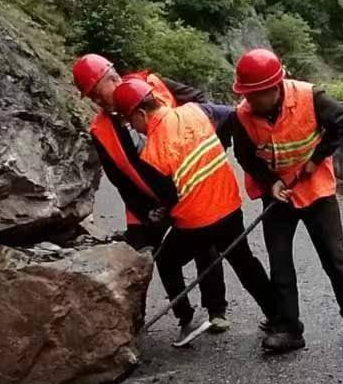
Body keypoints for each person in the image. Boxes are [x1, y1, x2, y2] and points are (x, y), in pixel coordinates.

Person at [228, 48, 343, 354]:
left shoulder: (310, 97)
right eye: (246, 94)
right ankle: (289, 329)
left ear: (274, 88)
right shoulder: (242, 115)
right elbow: (243, 155)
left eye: (255, 94)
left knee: (335, 258)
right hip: (279, 195)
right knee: (280, 262)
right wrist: (271, 182)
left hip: (316, 190)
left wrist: (314, 161)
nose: (249, 101)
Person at [114, 77, 278, 343]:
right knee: (244, 262)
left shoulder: (152, 154)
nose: (133, 127)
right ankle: (278, 317)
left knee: (166, 260)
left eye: (131, 121)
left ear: (142, 113)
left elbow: (169, 198)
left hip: (196, 223)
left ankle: (185, 318)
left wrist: (158, 215)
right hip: (230, 208)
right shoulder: (195, 111)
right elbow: (233, 115)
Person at [72, 55, 221, 347]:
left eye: (94, 91)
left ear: (111, 78)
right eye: (89, 96)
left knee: (206, 245)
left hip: (186, 184)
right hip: (145, 202)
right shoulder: (100, 129)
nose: (94, 100)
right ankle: (180, 317)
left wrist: (208, 142)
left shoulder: (155, 84)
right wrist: (148, 210)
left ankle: (217, 310)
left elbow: (200, 103)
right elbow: (118, 179)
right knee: (148, 257)